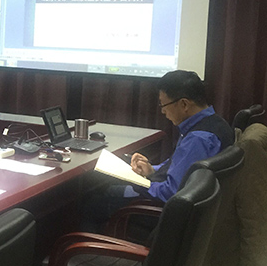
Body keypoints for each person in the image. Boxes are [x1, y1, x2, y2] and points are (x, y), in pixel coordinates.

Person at [81, 69, 234, 232]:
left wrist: (141, 183)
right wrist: (152, 169)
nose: (162, 111)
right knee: (109, 188)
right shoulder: (215, 124)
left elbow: (171, 193)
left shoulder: (198, 139)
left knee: (91, 204)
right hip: (183, 207)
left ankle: (84, 246)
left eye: (164, 105)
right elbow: (179, 166)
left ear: (184, 104)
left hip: (166, 214)